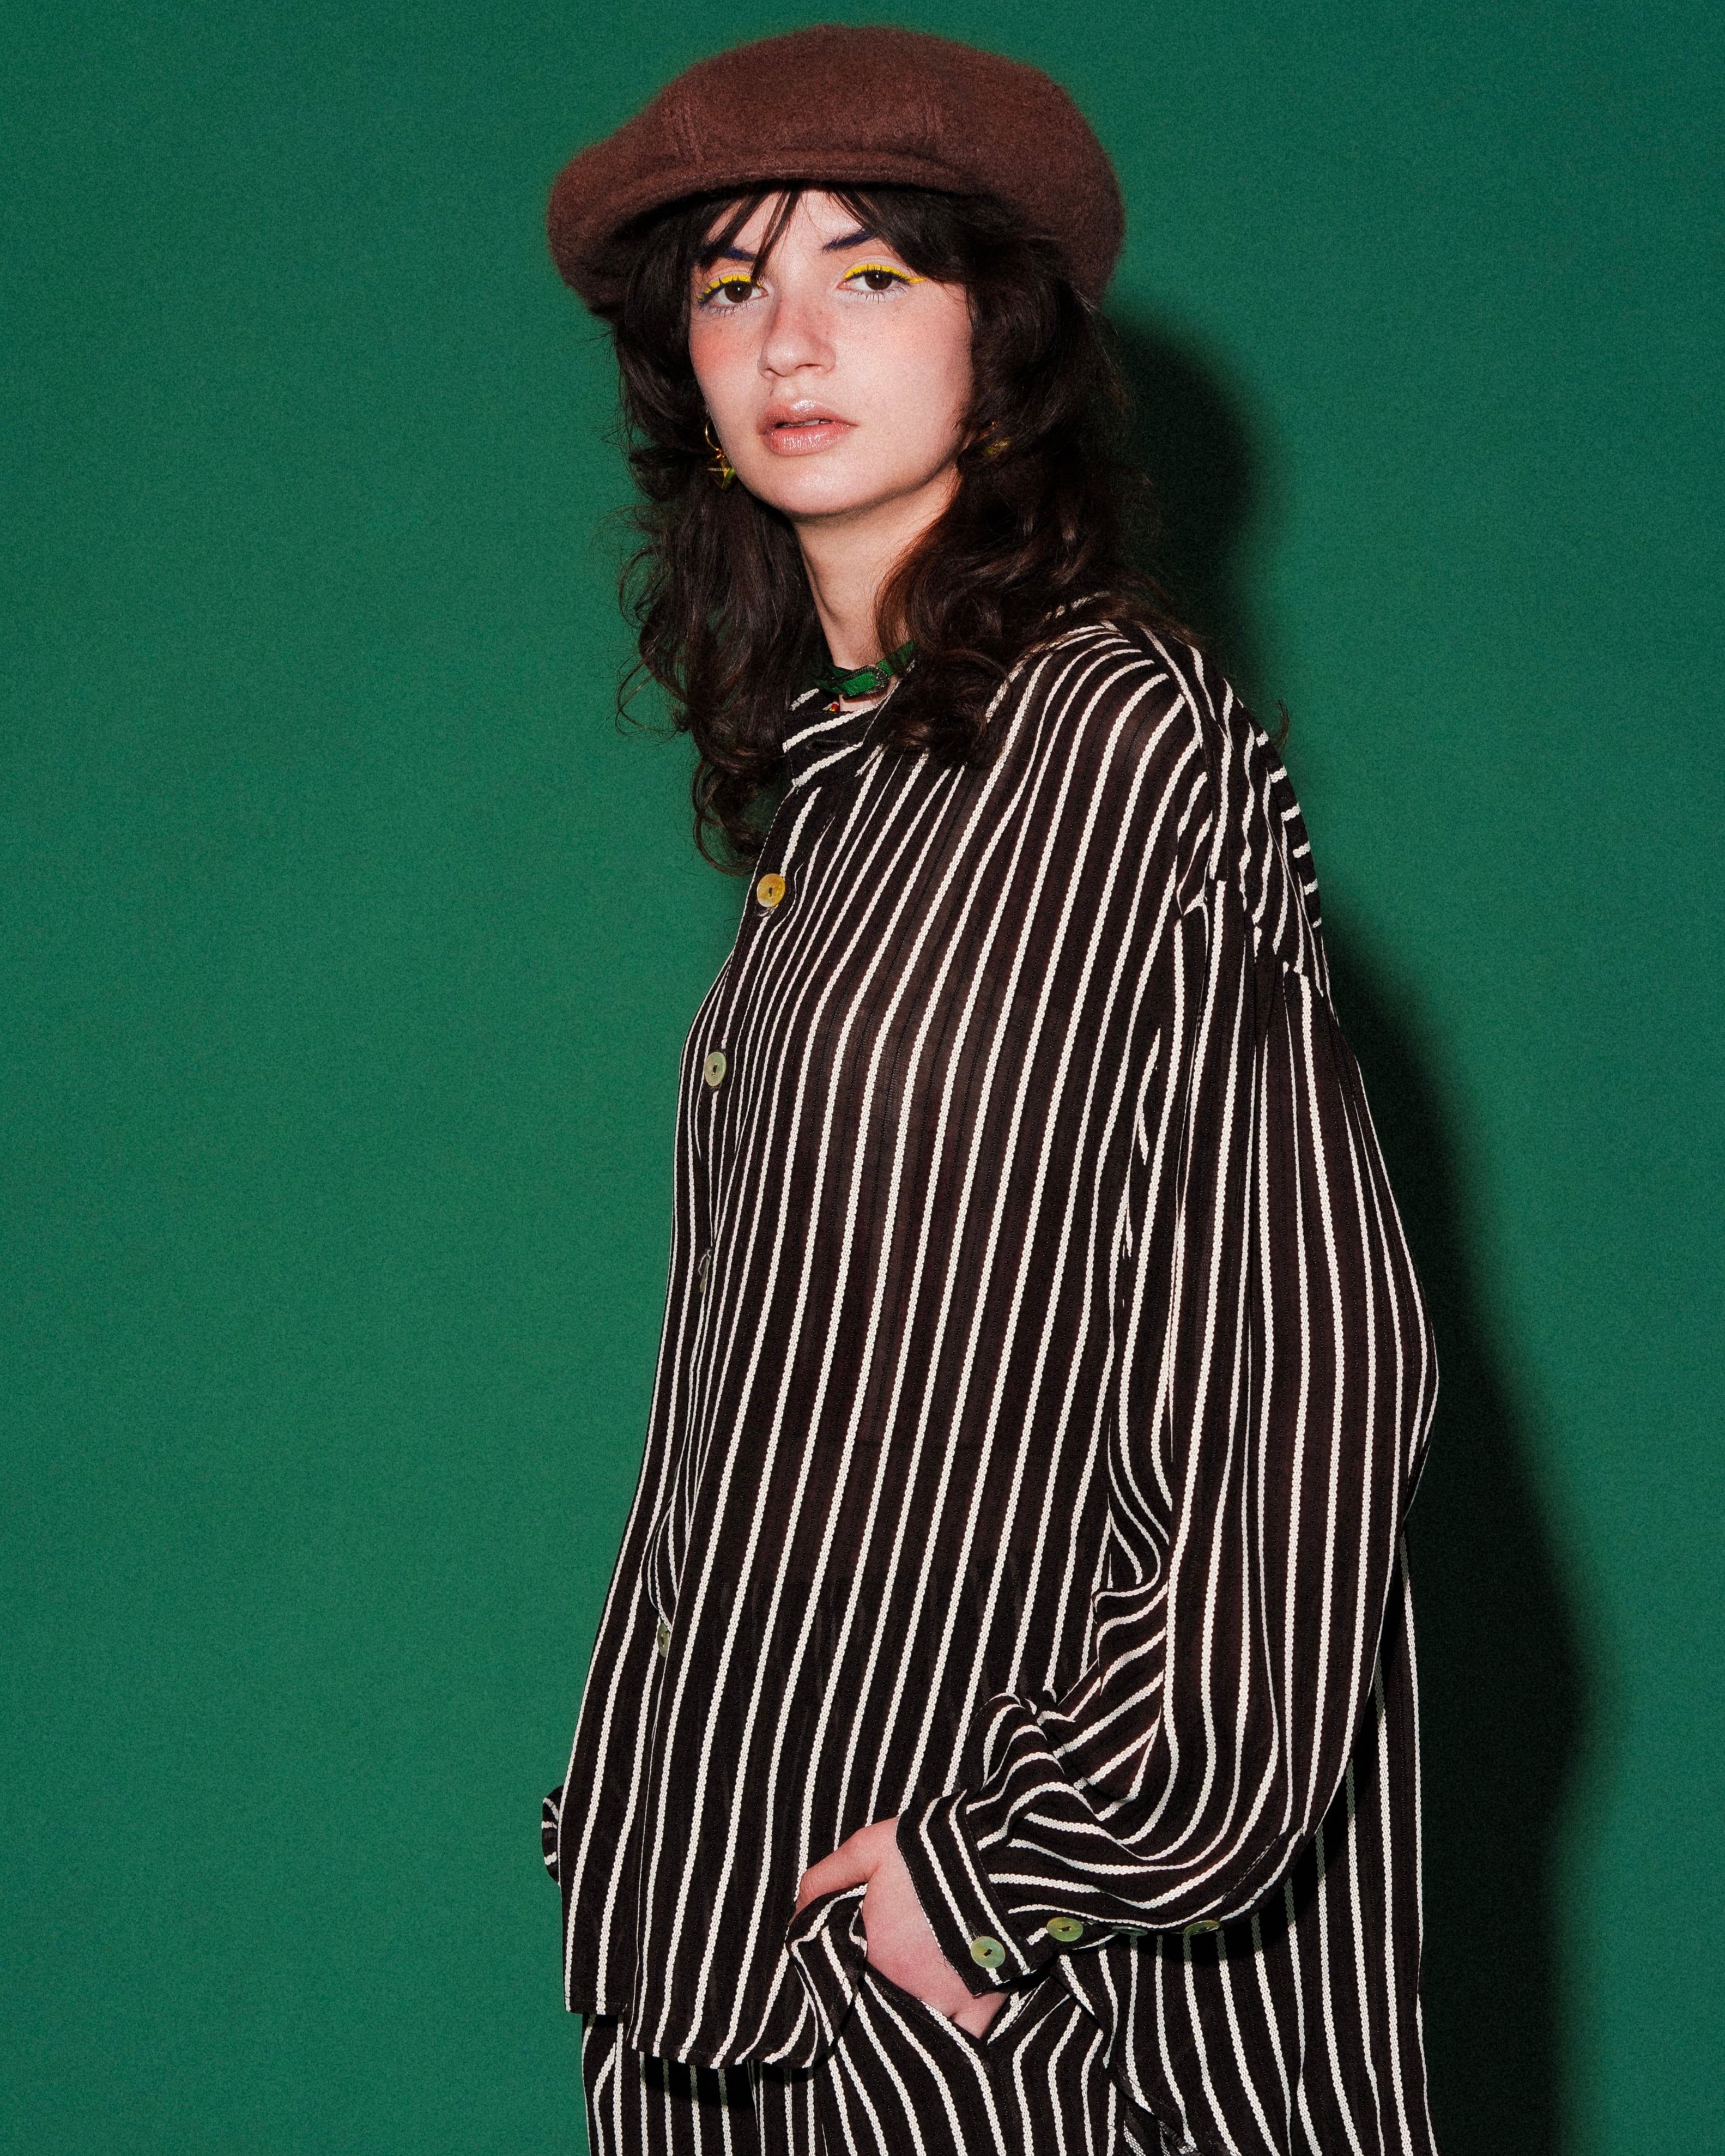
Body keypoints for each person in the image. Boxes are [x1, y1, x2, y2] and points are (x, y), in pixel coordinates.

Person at [540, 26, 1439, 2156]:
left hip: (998, 1996)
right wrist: (651, 1787)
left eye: (870, 273)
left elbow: (1306, 1361)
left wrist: (1031, 1851)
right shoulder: (835, 800)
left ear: (1001, 343)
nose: (789, 338)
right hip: (739, 1948)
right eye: (733, 285)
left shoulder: (1114, 732)